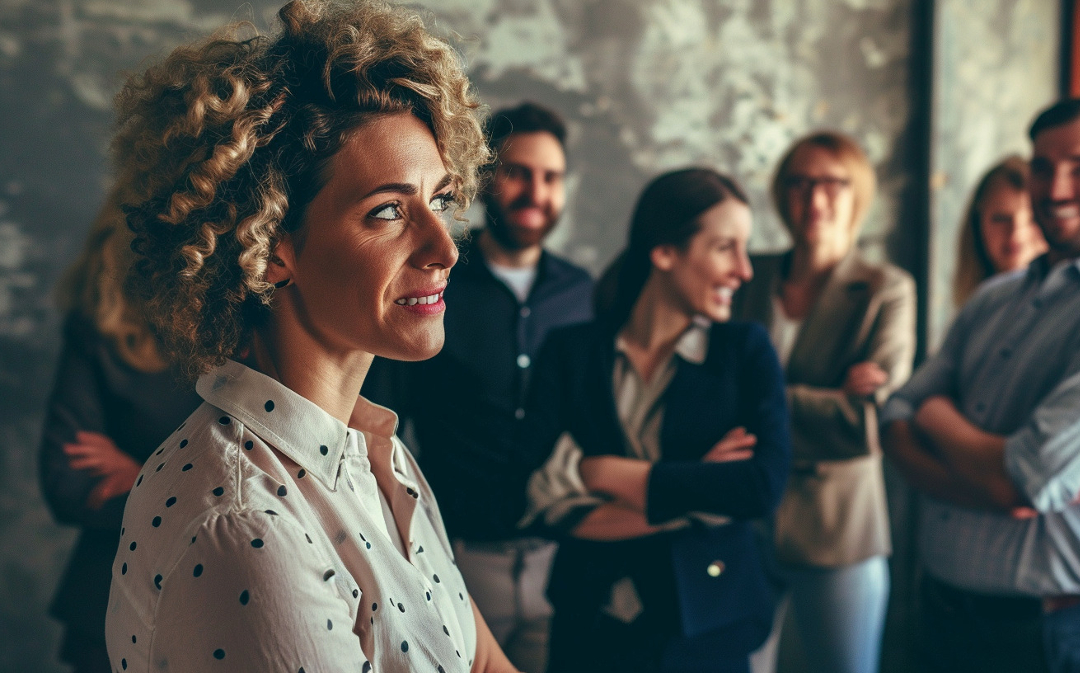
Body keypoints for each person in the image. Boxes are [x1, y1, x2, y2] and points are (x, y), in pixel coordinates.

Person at [103, 2, 517, 671]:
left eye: (439, 200)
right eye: (387, 211)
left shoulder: (377, 458)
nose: (445, 247)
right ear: (269, 247)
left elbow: (482, 661)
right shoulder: (241, 522)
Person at [880, 98, 1080, 673]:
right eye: (1042, 167)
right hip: (938, 612)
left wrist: (936, 417)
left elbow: (1025, 477)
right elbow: (894, 418)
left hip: (1033, 639)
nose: (1055, 186)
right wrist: (988, 483)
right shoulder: (998, 295)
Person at [521, 168, 791, 673]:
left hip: (708, 628)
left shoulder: (745, 352)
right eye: (724, 248)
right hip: (588, 624)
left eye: (745, 248)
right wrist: (697, 486)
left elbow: (759, 487)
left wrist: (604, 474)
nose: (745, 269)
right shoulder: (570, 354)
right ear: (665, 252)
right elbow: (538, 497)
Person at [364, 101, 592, 673]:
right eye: (518, 172)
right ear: (486, 179)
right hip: (456, 559)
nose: (534, 191)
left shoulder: (583, 295)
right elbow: (382, 415)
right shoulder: (434, 285)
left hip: (560, 559)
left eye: (550, 177)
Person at [734, 131, 916, 673]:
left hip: (840, 531)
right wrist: (828, 398)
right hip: (745, 517)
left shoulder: (886, 290)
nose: (814, 200)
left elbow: (865, 424)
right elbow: (711, 395)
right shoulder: (749, 275)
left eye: (832, 184)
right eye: (799, 183)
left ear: (857, 193)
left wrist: (758, 398)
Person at [39, 192, 201, 673]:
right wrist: (186, 493)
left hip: (234, 600)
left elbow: (270, 478)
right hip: (108, 607)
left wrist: (146, 476)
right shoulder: (99, 330)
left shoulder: (260, 328)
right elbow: (67, 484)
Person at [952, 155, 1048, 307]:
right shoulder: (971, 311)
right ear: (977, 223)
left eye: (1033, 219)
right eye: (1001, 218)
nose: (1016, 233)